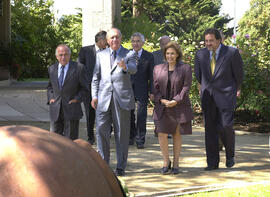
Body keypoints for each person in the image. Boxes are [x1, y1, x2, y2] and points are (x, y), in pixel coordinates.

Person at [194, 28, 244, 171]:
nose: (208, 43)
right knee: (210, 130)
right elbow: (198, 74)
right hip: (208, 97)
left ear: (219, 40)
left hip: (226, 96)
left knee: (225, 126)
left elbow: (239, 75)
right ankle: (212, 163)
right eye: (206, 41)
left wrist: (234, 89)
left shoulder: (231, 53)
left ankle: (230, 156)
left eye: (211, 41)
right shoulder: (200, 54)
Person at [91, 28, 137, 176]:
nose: (114, 40)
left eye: (117, 37)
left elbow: (133, 68)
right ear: (107, 40)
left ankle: (121, 167)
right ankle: (104, 166)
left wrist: (125, 67)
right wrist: (94, 96)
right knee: (101, 131)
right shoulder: (101, 55)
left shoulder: (129, 53)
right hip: (103, 99)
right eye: (112, 38)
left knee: (121, 134)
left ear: (121, 38)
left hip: (121, 99)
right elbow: (96, 77)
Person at [153, 42, 194, 175]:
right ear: (164, 55)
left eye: (172, 53)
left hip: (179, 106)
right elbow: (155, 88)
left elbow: (186, 87)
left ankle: (176, 163)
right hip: (163, 106)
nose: (170, 56)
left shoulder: (185, 68)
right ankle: (166, 161)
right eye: (167, 53)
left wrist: (176, 100)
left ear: (177, 55)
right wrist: (161, 100)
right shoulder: (157, 68)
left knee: (176, 135)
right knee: (162, 134)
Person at [47, 44, 89, 140]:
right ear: (57, 56)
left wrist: (76, 99)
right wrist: (51, 98)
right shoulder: (52, 69)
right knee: (54, 141)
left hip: (72, 109)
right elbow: (50, 87)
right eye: (61, 55)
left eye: (66, 54)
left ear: (70, 55)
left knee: (70, 141)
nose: (63, 57)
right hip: (56, 110)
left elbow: (85, 88)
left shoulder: (79, 68)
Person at [78, 30, 107, 145]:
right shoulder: (86, 50)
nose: (108, 42)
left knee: (105, 111)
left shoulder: (109, 51)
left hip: (105, 87)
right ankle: (91, 136)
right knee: (90, 113)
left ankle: (105, 134)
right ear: (100, 40)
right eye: (106, 40)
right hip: (88, 88)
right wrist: (85, 84)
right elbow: (80, 68)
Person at [129, 32, 155, 149]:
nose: (135, 43)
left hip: (142, 88)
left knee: (141, 114)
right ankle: (131, 136)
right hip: (127, 89)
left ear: (143, 43)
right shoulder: (127, 55)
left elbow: (152, 76)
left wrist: (152, 91)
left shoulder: (149, 56)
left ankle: (140, 139)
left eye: (138, 41)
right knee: (129, 114)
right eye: (133, 41)